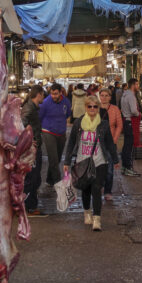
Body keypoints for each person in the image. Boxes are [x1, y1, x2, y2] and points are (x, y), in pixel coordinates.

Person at [63, 95, 119, 231]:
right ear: (85, 107)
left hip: (100, 162)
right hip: (82, 161)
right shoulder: (79, 123)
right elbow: (71, 142)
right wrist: (67, 161)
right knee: (86, 190)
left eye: (95, 106)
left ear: (98, 108)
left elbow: (110, 143)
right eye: (90, 106)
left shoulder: (103, 124)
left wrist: (115, 159)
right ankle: (87, 212)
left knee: (96, 188)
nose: (92, 109)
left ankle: (97, 219)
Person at [39, 83, 72, 186]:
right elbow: (40, 116)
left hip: (61, 132)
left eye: (56, 94)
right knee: (53, 159)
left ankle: (49, 180)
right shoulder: (45, 102)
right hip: (48, 131)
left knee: (57, 158)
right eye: (52, 94)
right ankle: (59, 183)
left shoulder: (66, 102)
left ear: (60, 92)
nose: (53, 96)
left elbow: (68, 114)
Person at [22, 85, 45, 214]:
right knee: (32, 178)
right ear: (39, 94)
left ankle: (30, 205)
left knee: (35, 178)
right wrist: (29, 140)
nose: (43, 98)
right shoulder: (29, 108)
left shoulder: (33, 107)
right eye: (43, 95)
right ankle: (29, 206)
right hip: (31, 149)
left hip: (35, 147)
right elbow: (21, 124)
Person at [98, 87, 123, 201]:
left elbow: (119, 125)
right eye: (102, 95)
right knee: (98, 167)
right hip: (97, 143)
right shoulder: (94, 107)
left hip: (110, 142)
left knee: (109, 168)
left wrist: (114, 139)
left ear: (110, 97)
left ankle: (108, 191)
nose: (104, 98)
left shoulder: (115, 109)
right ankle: (99, 186)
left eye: (106, 96)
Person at [119, 78, 141, 176]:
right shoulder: (131, 96)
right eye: (137, 84)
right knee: (130, 147)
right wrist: (139, 113)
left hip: (126, 121)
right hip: (130, 122)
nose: (138, 86)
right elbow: (133, 111)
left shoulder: (124, 95)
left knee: (126, 146)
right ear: (133, 85)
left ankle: (124, 167)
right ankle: (128, 168)